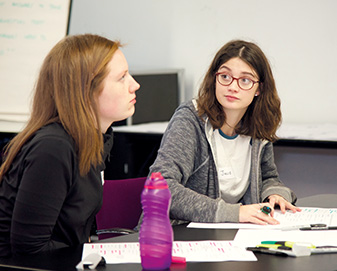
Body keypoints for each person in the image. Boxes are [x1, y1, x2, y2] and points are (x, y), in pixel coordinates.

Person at [0, 34, 140, 257]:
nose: (135, 85)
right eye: (122, 77)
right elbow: (30, 250)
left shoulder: (96, 139)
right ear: (86, 90)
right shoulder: (53, 148)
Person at [148, 40, 301, 226]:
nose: (233, 87)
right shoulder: (191, 120)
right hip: (175, 235)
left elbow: (268, 177)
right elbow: (160, 189)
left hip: (230, 234)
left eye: (245, 80)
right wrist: (233, 212)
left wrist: (275, 193)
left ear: (259, 89)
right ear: (215, 78)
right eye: (225, 76)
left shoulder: (257, 126)